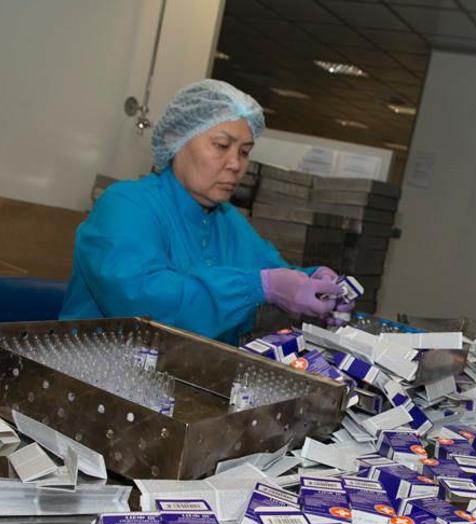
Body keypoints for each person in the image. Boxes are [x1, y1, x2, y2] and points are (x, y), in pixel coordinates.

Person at [60, 80, 352, 344]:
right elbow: (141, 302)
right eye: (222, 145)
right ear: (176, 139)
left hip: (186, 373)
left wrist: (315, 283)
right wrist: (258, 287)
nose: (235, 164)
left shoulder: (228, 220)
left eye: (244, 152)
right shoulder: (126, 205)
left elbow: (270, 271)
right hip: (96, 371)